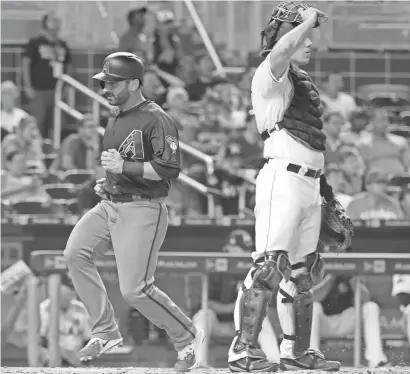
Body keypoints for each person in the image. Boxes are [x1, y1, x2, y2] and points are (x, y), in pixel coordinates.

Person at [63, 52, 205, 372]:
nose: (105, 89)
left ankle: (187, 339)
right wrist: (110, 179)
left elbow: (170, 169)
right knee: (75, 253)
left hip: (144, 208)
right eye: (104, 83)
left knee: (135, 290)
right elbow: (124, 162)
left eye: (113, 83)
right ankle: (106, 332)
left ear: (134, 83)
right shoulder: (115, 116)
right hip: (111, 202)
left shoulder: (157, 117)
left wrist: (123, 167)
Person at [227, 3, 346, 372]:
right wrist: (306, 18)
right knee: (269, 267)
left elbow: (311, 142)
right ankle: (242, 350)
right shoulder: (269, 71)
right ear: (285, 38)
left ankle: (294, 353)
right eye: (303, 36)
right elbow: (280, 52)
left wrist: (325, 192)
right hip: (282, 178)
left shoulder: (300, 79)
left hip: (308, 183)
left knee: (302, 273)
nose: (310, 42)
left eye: (310, 36)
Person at [310, 265, 390, 367]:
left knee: (371, 307)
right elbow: (312, 297)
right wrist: (331, 277)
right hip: (324, 322)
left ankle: (377, 360)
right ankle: (313, 358)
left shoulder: (353, 269)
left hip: (347, 320)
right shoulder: (319, 267)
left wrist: (354, 281)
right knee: (314, 307)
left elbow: (366, 299)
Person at [22, 11, 71, 138]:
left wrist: (66, 87)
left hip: (57, 91)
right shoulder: (35, 43)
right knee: (39, 123)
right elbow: (26, 64)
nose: (56, 24)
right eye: (53, 20)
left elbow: (68, 66)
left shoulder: (62, 45)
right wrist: (28, 86)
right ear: (45, 23)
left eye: (58, 21)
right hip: (39, 90)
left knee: (57, 123)